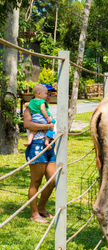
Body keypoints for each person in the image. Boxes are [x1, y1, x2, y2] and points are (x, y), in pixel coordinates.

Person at [23, 84, 56, 223]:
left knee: (53, 180)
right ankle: (34, 213)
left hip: (49, 146)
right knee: (36, 181)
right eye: (47, 93)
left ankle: (41, 207)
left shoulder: (46, 109)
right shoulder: (30, 108)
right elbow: (28, 125)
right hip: (36, 145)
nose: (49, 96)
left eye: (50, 94)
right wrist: (47, 126)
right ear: (39, 94)